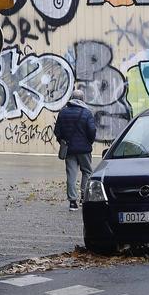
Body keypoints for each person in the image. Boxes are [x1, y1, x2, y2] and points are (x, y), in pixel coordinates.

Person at [54, 83, 97, 211]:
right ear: (82, 99)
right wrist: (89, 142)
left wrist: (63, 142)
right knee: (87, 171)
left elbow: (57, 131)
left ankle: (72, 202)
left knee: (71, 174)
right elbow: (92, 131)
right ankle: (84, 197)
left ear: (71, 98)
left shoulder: (63, 112)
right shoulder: (87, 113)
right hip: (84, 149)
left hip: (70, 149)